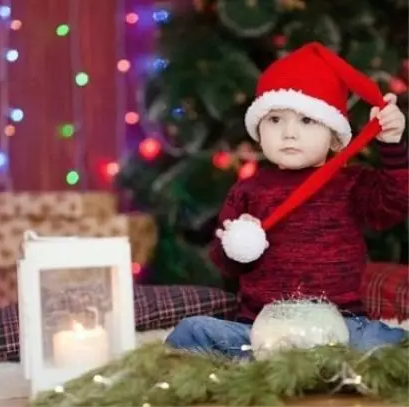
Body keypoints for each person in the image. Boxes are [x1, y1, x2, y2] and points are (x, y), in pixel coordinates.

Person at [165, 42, 408, 358]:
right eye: (275, 120)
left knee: (393, 345)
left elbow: (397, 199)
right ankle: (273, 364)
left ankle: (317, 364)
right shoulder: (248, 191)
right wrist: (238, 246)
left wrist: (391, 145)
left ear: (335, 136)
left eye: (307, 120)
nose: (289, 133)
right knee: (191, 333)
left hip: (341, 328)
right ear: (258, 130)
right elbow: (224, 263)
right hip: (263, 330)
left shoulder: (352, 184)